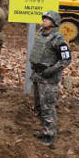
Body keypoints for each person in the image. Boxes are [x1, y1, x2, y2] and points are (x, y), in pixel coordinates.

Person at [29, 11, 72, 147]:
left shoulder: (58, 39)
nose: (44, 20)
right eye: (44, 18)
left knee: (48, 106)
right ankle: (44, 129)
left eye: (47, 19)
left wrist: (51, 70)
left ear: (54, 22)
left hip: (48, 78)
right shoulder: (41, 34)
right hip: (37, 75)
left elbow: (66, 59)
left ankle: (49, 134)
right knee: (39, 106)